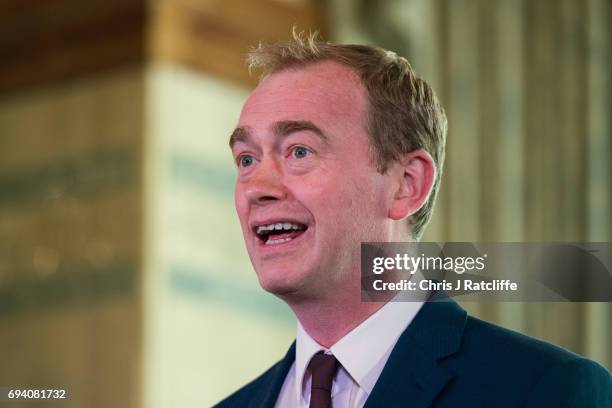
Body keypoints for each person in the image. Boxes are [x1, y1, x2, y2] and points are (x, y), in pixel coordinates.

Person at [217, 32, 611, 407]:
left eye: (299, 152)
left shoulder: (547, 389)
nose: (257, 187)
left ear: (407, 184)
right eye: (247, 159)